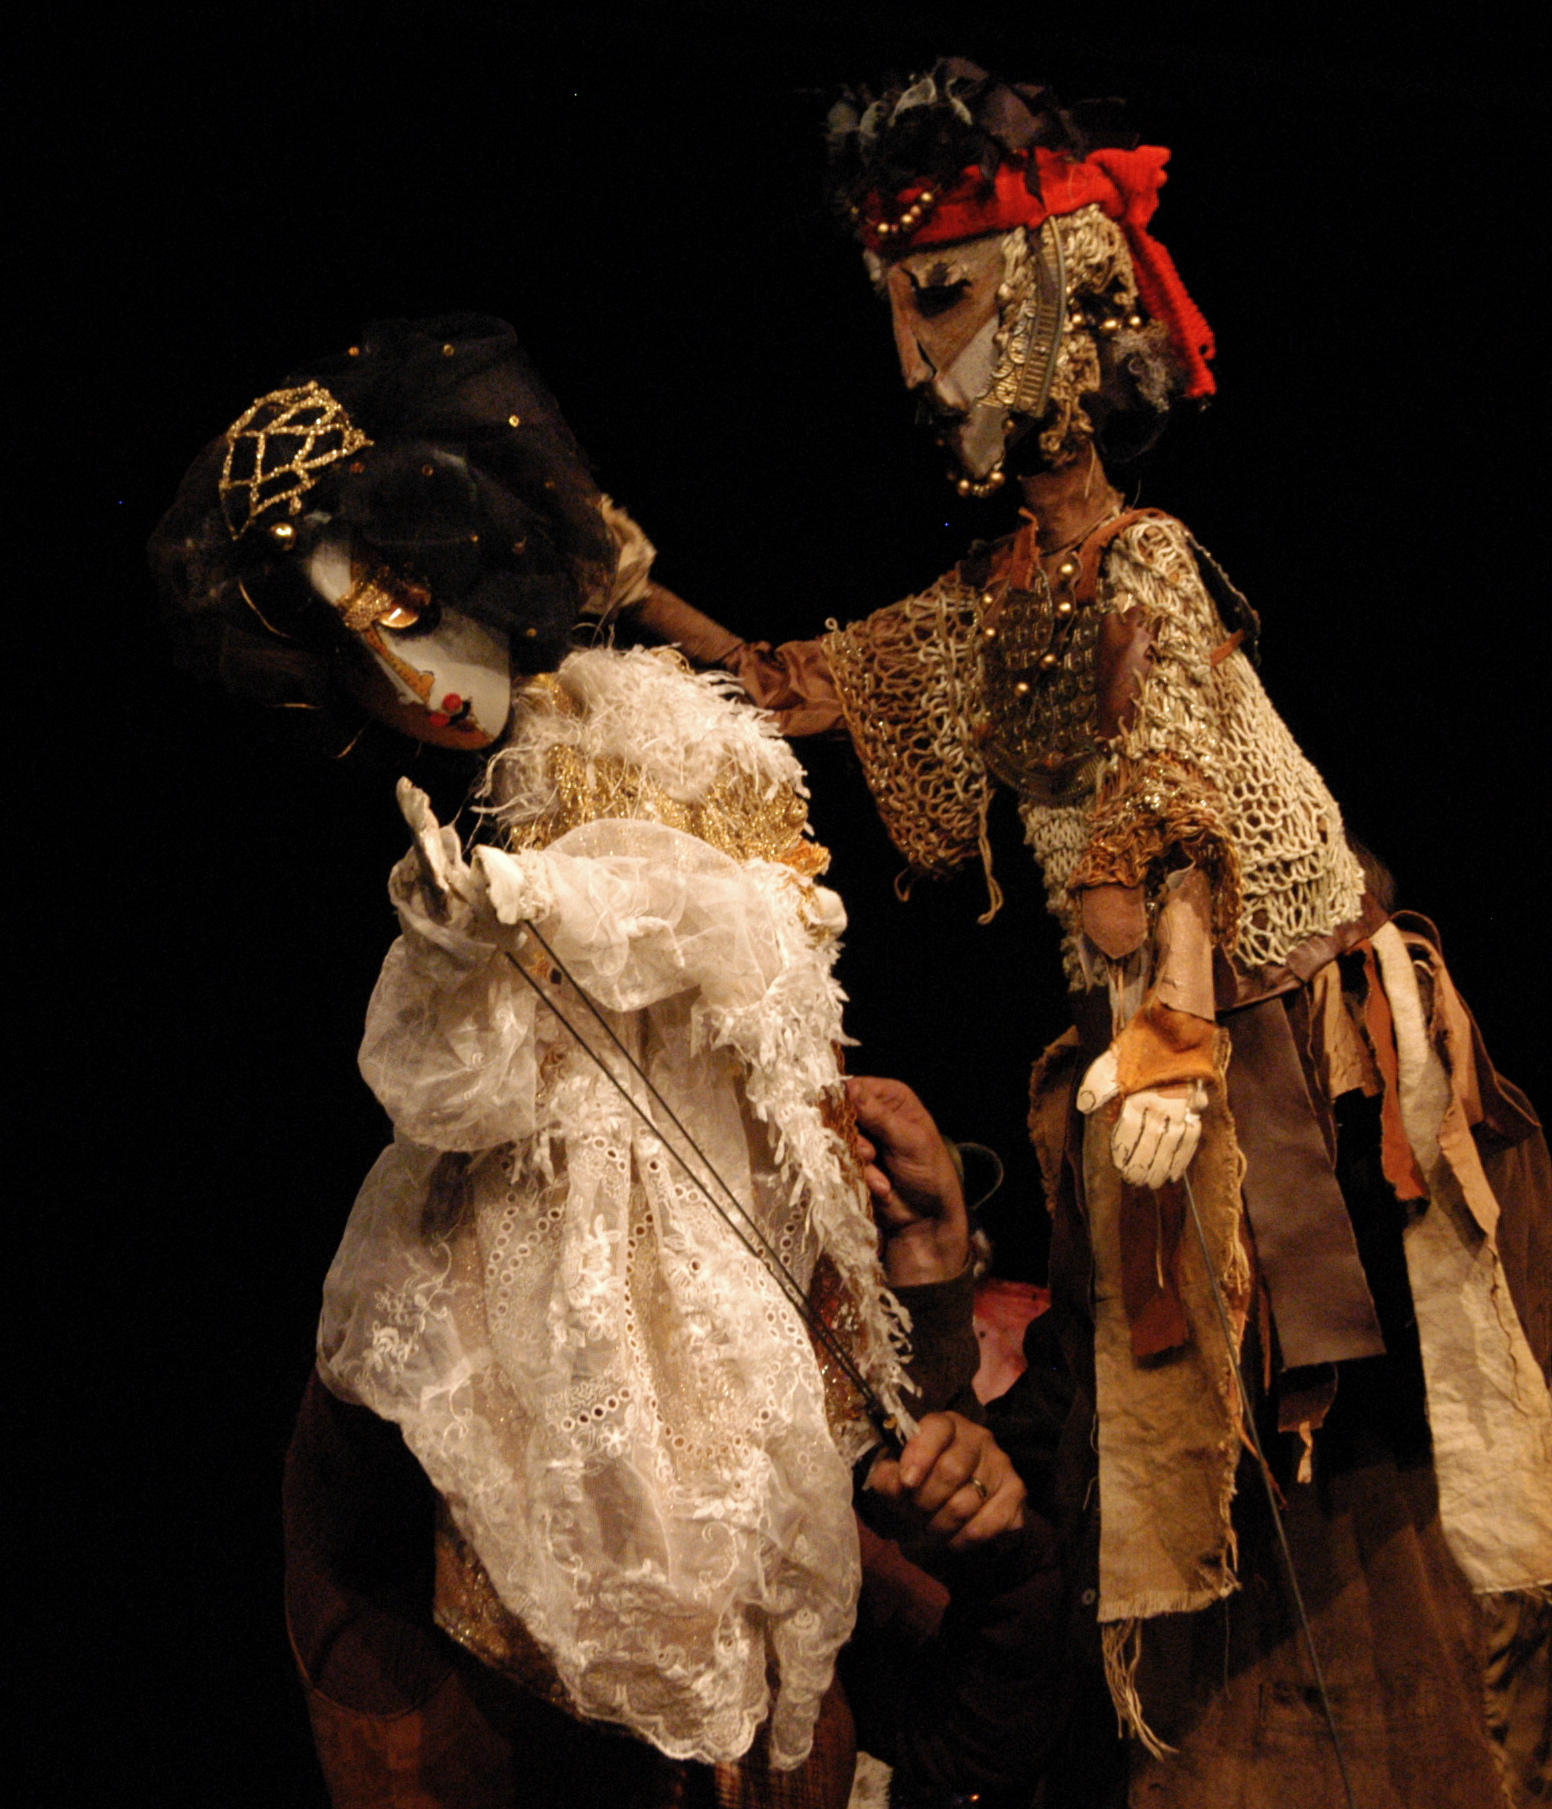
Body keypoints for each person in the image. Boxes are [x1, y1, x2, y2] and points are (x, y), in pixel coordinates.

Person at [619, 62, 1552, 1808]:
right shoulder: (992, 605)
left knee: (1360, 1487)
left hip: (1289, 1067)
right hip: (1153, 1074)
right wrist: (631, 586)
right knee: (1197, 1497)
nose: (919, 361)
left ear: (1063, 293)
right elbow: (796, 683)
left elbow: (1178, 812)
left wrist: (1180, 1030)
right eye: (901, 312)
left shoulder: (1145, 562)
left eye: (947, 300)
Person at [152, 314, 1037, 1808]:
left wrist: (554, 906)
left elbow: (730, 924)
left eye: (412, 603)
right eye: (362, 648)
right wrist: (476, 938)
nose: (416, 676)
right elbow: (453, 1082)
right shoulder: (484, 859)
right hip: (560, 1219)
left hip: (724, 1196)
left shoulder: (641, 728)